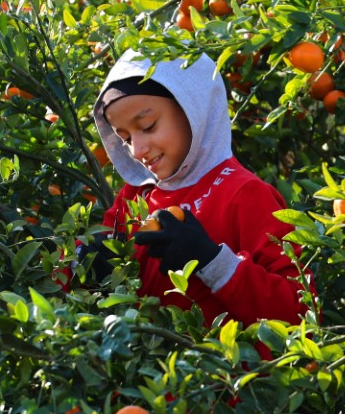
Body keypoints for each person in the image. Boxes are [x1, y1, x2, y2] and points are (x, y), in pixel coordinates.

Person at [79, 49, 310, 327]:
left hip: (226, 367)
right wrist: (85, 264)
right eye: (126, 138)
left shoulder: (245, 195)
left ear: (193, 107)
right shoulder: (135, 196)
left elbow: (300, 314)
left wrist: (211, 260)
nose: (137, 150)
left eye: (148, 126)